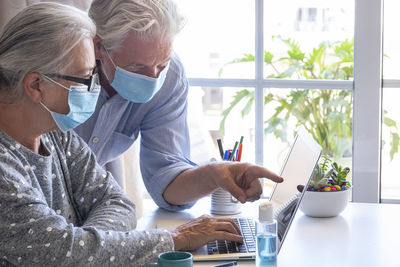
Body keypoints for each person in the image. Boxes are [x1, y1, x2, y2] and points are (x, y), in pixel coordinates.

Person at [0, 3, 247, 266]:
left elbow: (117, 202)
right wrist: (173, 240)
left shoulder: (56, 136)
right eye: (85, 78)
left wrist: (91, 248)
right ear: (36, 85)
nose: (95, 89)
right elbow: (64, 252)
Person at [75, 0, 283, 212]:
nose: (153, 78)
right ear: (98, 46)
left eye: (162, 64)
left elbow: (166, 179)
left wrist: (214, 175)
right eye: (137, 67)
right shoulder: (57, 75)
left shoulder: (170, 77)